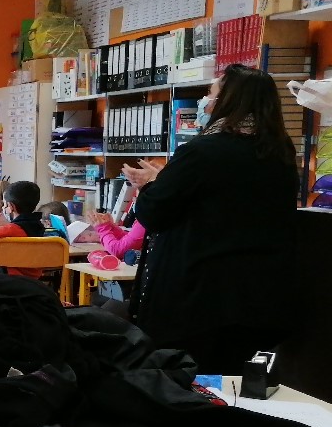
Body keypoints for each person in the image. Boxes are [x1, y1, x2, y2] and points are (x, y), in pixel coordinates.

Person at [121, 64, 297, 373]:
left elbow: (154, 212)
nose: (206, 100)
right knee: (237, 388)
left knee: (186, 383)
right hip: (260, 296)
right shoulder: (280, 153)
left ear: (229, 99)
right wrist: (167, 180)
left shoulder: (202, 151)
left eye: (211, 92)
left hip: (197, 297)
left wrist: (151, 185)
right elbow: (223, 200)